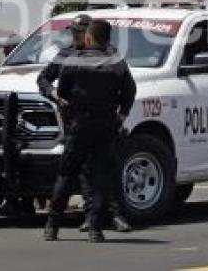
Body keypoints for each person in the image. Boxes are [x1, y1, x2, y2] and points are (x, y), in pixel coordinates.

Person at [43, 20, 136, 243]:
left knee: (66, 174)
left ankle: (52, 225)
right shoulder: (116, 61)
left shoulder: (74, 61)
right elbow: (130, 91)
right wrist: (120, 116)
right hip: (106, 125)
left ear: (87, 38)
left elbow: (63, 90)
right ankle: (95, 229)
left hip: (80, 124)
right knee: (100, 176)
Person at [36, 14, 100, 231]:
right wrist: (53, 93)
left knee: (95, 173)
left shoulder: (105, 55)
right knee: (69, 174)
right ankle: (53, 223)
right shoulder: (66, 55)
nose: (75, 35)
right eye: (73, 31)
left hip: (100, 123)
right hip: (73, 124)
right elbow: (43, 78)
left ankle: (95, 221)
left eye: (79, 31)